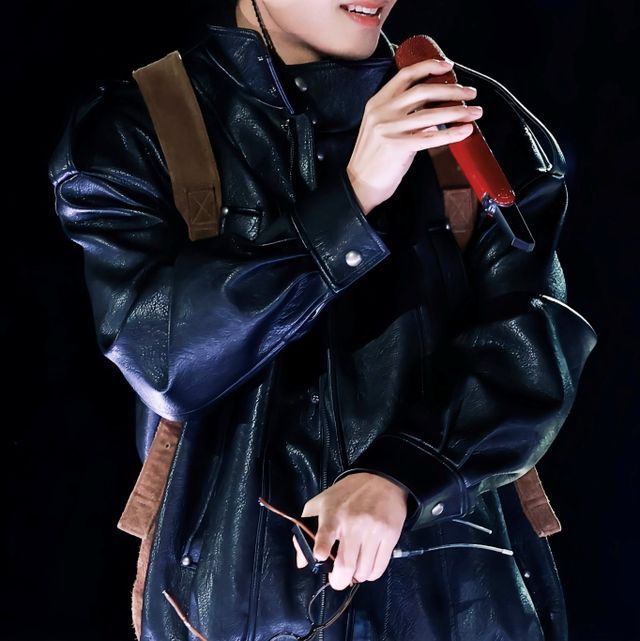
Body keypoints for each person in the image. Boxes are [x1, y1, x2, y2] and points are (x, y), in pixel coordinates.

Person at [47, 0, 598, 640]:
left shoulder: (472, 120)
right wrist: (352, 201)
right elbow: (163, 359)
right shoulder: (138, 127)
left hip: (462, 600)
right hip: (236, 604)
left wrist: (405, 473)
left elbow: (535, 342)